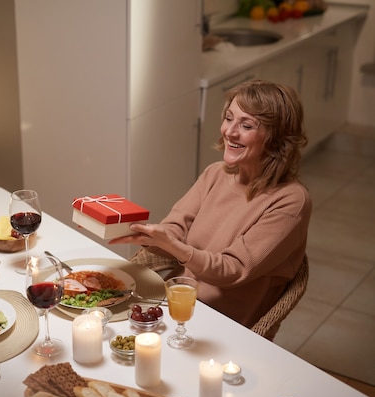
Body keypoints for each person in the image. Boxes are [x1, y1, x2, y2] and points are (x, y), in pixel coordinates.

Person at [111, 80, 312, 328]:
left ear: (277, 138)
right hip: (174, 305)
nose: (230, 131)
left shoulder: (290, 200)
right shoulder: (216, 173)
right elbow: (175, 229)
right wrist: (146, 236)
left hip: (223, 325)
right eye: (229, 118)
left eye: (246, 125)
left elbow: (232, 270)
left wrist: (176, 247)